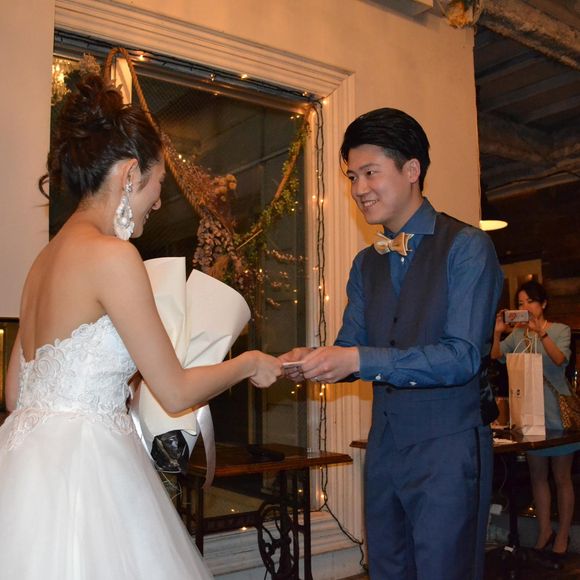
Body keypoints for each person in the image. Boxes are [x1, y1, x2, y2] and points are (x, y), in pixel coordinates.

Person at [0, 75, 281, 579]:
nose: (158, 201)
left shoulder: (42, 262)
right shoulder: (113, 256)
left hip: (23, 468)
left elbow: (15, 393)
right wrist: (248, 362)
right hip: (89, 473)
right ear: (130, 174)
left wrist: (110, 383)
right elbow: (174, 391)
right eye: (158, 184)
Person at [281, 108, 503, 580]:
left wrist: (356, 358)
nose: (358, 188)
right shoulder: (365, 263)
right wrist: (312, 360)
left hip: (448, 450)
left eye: (370, 173)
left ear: (412, 169)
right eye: (352, 176)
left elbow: (462, 356)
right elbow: (351, 347)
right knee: (386, 569)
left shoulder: (467, 247)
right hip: (383, 449)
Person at [492, 280, 577, 556]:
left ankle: (562, 534)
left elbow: (559, 360)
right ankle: (544, 531)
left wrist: (541, 333)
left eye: (530, 301)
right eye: (520, 303)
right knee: (537, 476)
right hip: (529, 414)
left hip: (557, 415)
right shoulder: (518, 334)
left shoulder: (560, 330)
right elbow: (496, 356)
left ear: (543, 304)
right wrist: (497, 333)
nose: (525, 307)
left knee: (562, 477)